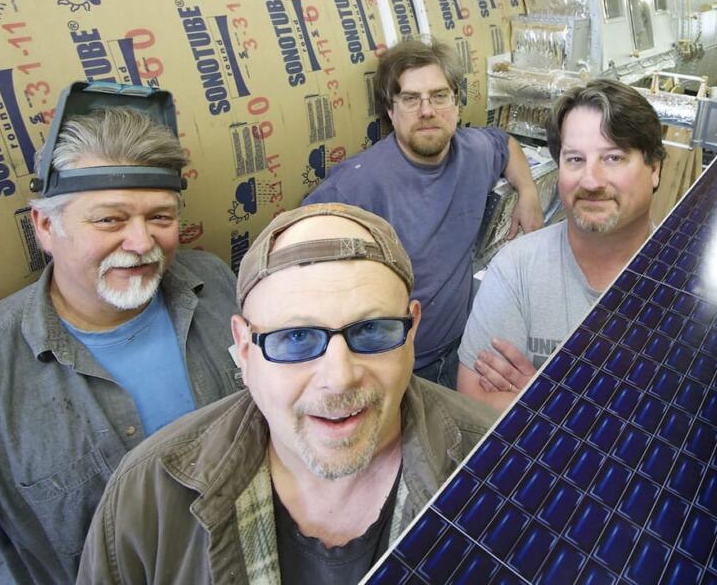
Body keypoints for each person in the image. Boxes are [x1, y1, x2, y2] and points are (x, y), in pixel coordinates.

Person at [0, 102, 245, 584]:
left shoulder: (215, 281)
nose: (142, 243)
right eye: (110, 221)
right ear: (44, 227)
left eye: (160, 216)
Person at [77, 203, 495, 584]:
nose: (339, 377)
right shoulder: (147, 497)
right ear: (244, 348)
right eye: (296, 338)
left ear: (411, 330)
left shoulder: (499, 467)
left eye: (371, 331)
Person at [303, 37, 543, 388]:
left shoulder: (473, 151)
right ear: (390, 110)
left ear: (457, 104)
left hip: (463, 348)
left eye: (439, 96)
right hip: (392, 372)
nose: (427, 110)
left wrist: (529, 190)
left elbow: (505, 144)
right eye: (411, 99)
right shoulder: (356, 187)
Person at [457, 79, 664, 410]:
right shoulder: (517, 268)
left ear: (654, 169)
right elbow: (475, 400)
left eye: (613, 158)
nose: (591, 181)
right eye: (575, 159)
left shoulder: (686, 282)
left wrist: (548, 401)